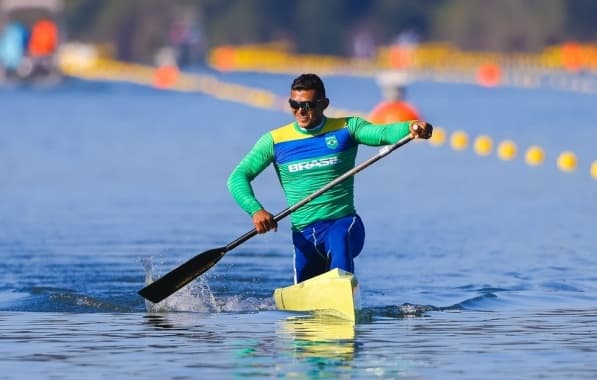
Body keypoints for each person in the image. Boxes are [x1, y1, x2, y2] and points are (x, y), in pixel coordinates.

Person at [227, 73, 432, 284]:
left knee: (339, 239)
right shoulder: (274, 141)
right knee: (303, 300)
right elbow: (237, 178)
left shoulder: (347, 128)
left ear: (324, 104)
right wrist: (255, 210)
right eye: (294, 104)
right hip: (304, 235)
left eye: (307, 105)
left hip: (343, 224)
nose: (300, 111)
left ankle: (343, 289)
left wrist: (411, 127)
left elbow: (381, 133)